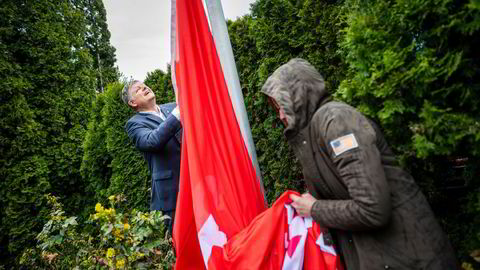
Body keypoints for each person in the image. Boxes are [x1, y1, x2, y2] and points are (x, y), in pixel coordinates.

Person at [261, 58, 458, 270]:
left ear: (299, 96)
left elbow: (372, 208)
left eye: (282, 104)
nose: (280, 114)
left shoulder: (336, 121)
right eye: (277, 108)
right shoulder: (310, 137)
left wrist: (315, 209)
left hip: (413, 259)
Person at [122, 80, 182, 233]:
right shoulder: (134, 124)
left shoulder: (173, 107)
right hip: (172, 193)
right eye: (138, 90)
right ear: (132, 102)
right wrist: (176, 116)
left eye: (144, 86)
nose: (145, 88)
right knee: (180, 239)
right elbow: (151, 141)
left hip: (199, 180)